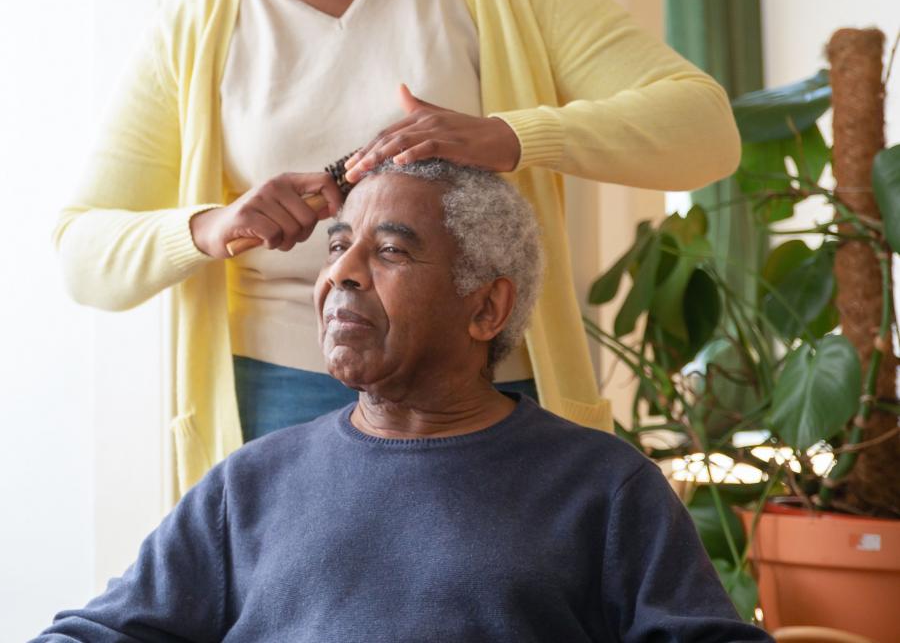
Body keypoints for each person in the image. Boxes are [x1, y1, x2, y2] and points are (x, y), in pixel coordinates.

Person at [54, 0, 738, 487]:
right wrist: (214, 226)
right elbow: (83, 254)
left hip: (485, 385)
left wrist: (508, 137)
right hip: (280, 393)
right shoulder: (197, 23)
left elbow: (704, 128)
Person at [37, 159, 767, 642]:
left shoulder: (602, 487)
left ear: (485, 308)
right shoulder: (250, 483)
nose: (340, 276)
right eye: (337, 246)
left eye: (389, 251)